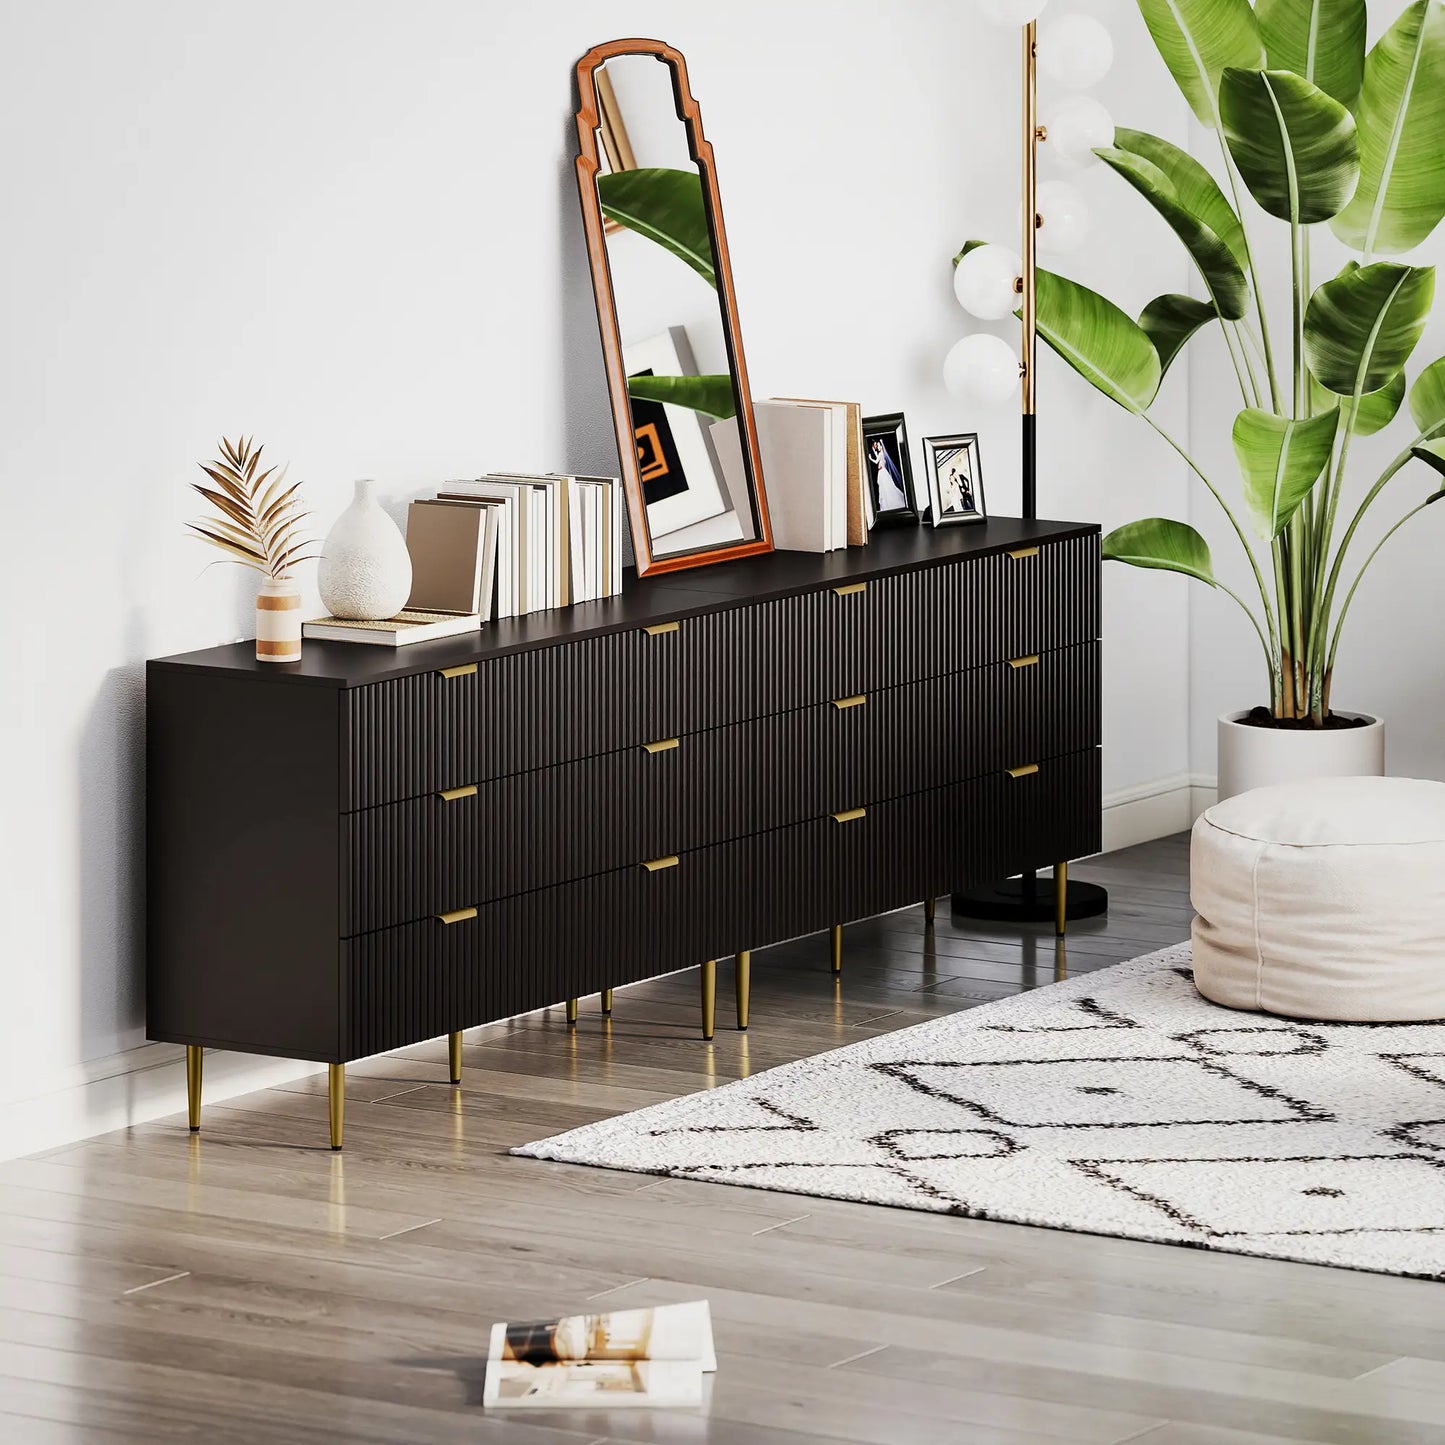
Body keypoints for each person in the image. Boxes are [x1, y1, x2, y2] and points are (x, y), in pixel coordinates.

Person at [869, 438, 909, 511]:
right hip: (882, 472)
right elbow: (879, 458)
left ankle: (888, 504)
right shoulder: (881, 453)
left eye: (878, 446)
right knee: (885, 488)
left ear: (881, 446)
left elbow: (876, 461)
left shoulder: (881, 454)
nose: (877, 447)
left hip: (882, 472)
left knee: (885, 488)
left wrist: (870, 458)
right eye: (877, 446)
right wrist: (874, 452)